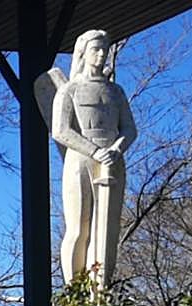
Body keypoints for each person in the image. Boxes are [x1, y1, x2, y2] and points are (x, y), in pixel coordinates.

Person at [52, 29, 137, 288]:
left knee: (107, 231)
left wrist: (116, 149)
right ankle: (75, 291)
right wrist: (94, 151)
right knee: (80, 228)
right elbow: (61, 130)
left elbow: (130, 129)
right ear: (83, 53)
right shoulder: (70, 90)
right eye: (95, 49)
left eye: (104, 49)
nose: (101, 54)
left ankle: (100, 292)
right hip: (81, 160)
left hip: (112, 161)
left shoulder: (116, 91)